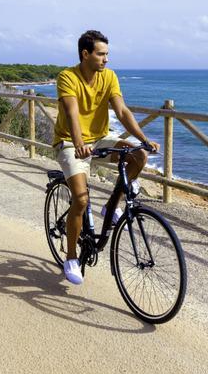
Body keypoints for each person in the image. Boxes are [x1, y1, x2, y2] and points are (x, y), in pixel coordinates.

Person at [53, 30, 160, 285]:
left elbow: (122, 111)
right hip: (70, 142)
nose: (106, 59)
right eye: (101, 54)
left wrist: (143, 140)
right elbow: (71, 112)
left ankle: (111, 207)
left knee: (138, 156)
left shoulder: (109, 76)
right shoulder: (67, 77)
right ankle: (70, 257)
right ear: (85, 54)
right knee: (80, 199)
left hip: (100, 140)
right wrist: (78, 143)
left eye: (107, 54)